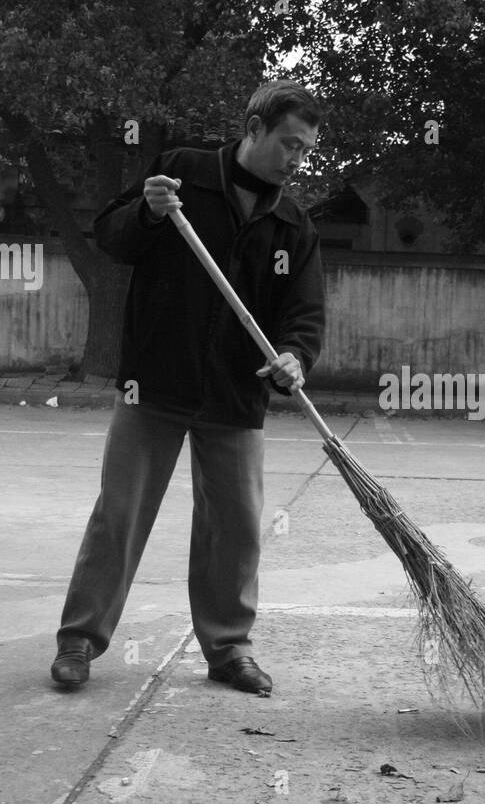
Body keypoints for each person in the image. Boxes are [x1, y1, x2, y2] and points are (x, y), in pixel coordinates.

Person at [50, 80, 326, 696]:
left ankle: (228, 648)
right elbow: (113, 238)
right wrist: (147, 212)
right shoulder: (181, 177)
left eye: (305, 150)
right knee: (119, 513)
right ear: (253, 129)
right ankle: (79, 640)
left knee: (236, 525)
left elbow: (304, 314)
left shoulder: (291, 224)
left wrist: (293, 357)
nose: (294, 160)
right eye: (287, 143)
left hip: (236, 392)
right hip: (157, 379)